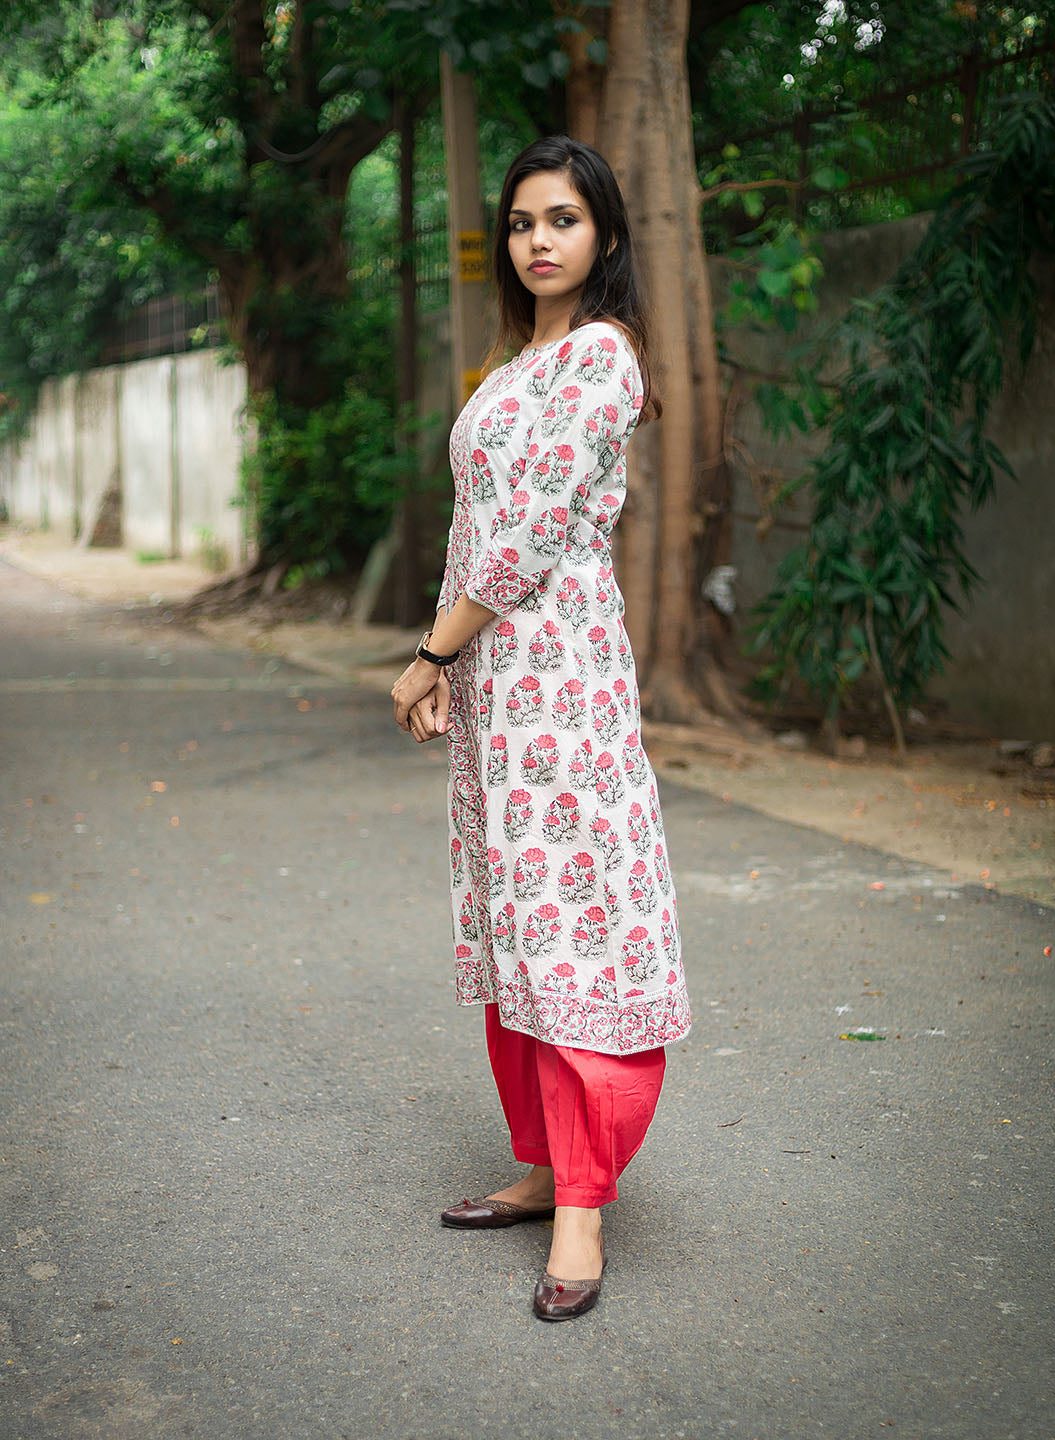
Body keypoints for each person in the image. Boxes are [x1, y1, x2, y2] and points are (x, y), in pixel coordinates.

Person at [391, 135, 691, 1321]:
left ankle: (582, 1212)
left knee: (575, 921)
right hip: (497, 691)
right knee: (518, 917)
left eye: (562, 219)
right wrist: (447, 661)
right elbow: (476, 528)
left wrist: (426, 653)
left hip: (560, 683)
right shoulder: (518, 363)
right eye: (521, 223)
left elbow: (525, 541)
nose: (539, 240)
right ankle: (540, 1165)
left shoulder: (604, 360)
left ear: (604, 236)